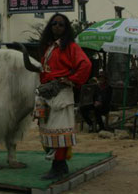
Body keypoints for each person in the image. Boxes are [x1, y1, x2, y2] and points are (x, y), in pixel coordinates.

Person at [35, 13, 92, 180]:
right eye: (54, 24)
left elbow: (86, 64)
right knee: (47, 130)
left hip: (61, 92)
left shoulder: (71, 47)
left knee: (59, 131)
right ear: (50, 26)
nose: (57, 27)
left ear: (66, 28)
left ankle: (57, 168)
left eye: (61, 24)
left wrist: (71, 80)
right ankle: (62, 165)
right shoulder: (50, 47)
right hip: (47, 92)